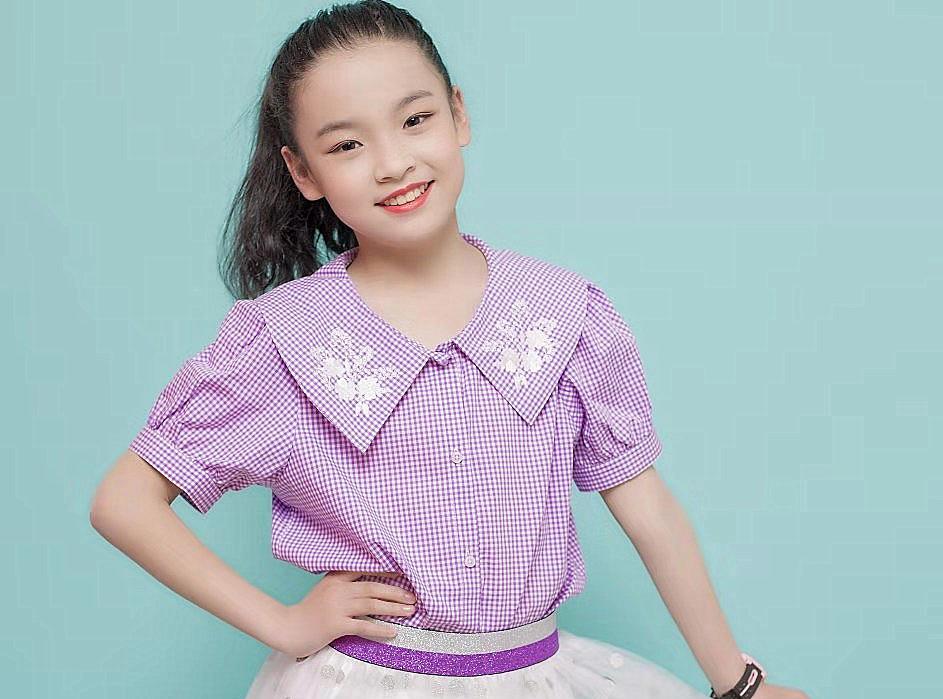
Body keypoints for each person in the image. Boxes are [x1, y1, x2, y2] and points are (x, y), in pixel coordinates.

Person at [90, 2, 810, 697]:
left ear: (458, 114)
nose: (392, 162)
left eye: (414, 120)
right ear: (303, 172)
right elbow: (125, 502)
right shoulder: (283, 340)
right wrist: (281, 622)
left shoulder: (563, 313)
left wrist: (738, 683)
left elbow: (648, 509)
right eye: (346, 145)